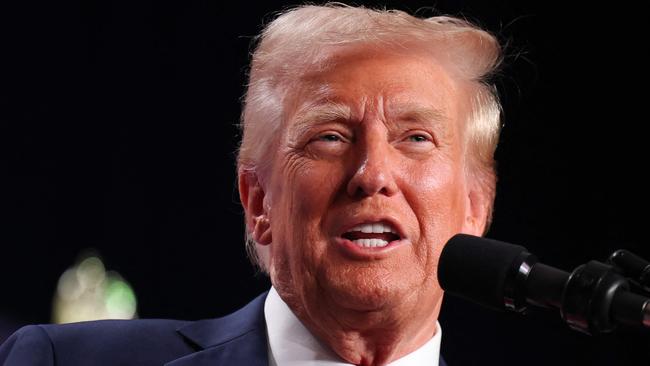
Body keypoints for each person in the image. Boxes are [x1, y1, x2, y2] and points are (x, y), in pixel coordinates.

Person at [0, 3, 501, 365]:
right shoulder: (63, 359)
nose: (372, 175)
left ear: (474, 207)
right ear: (258, 201)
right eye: (329, 137)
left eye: (415, 138)